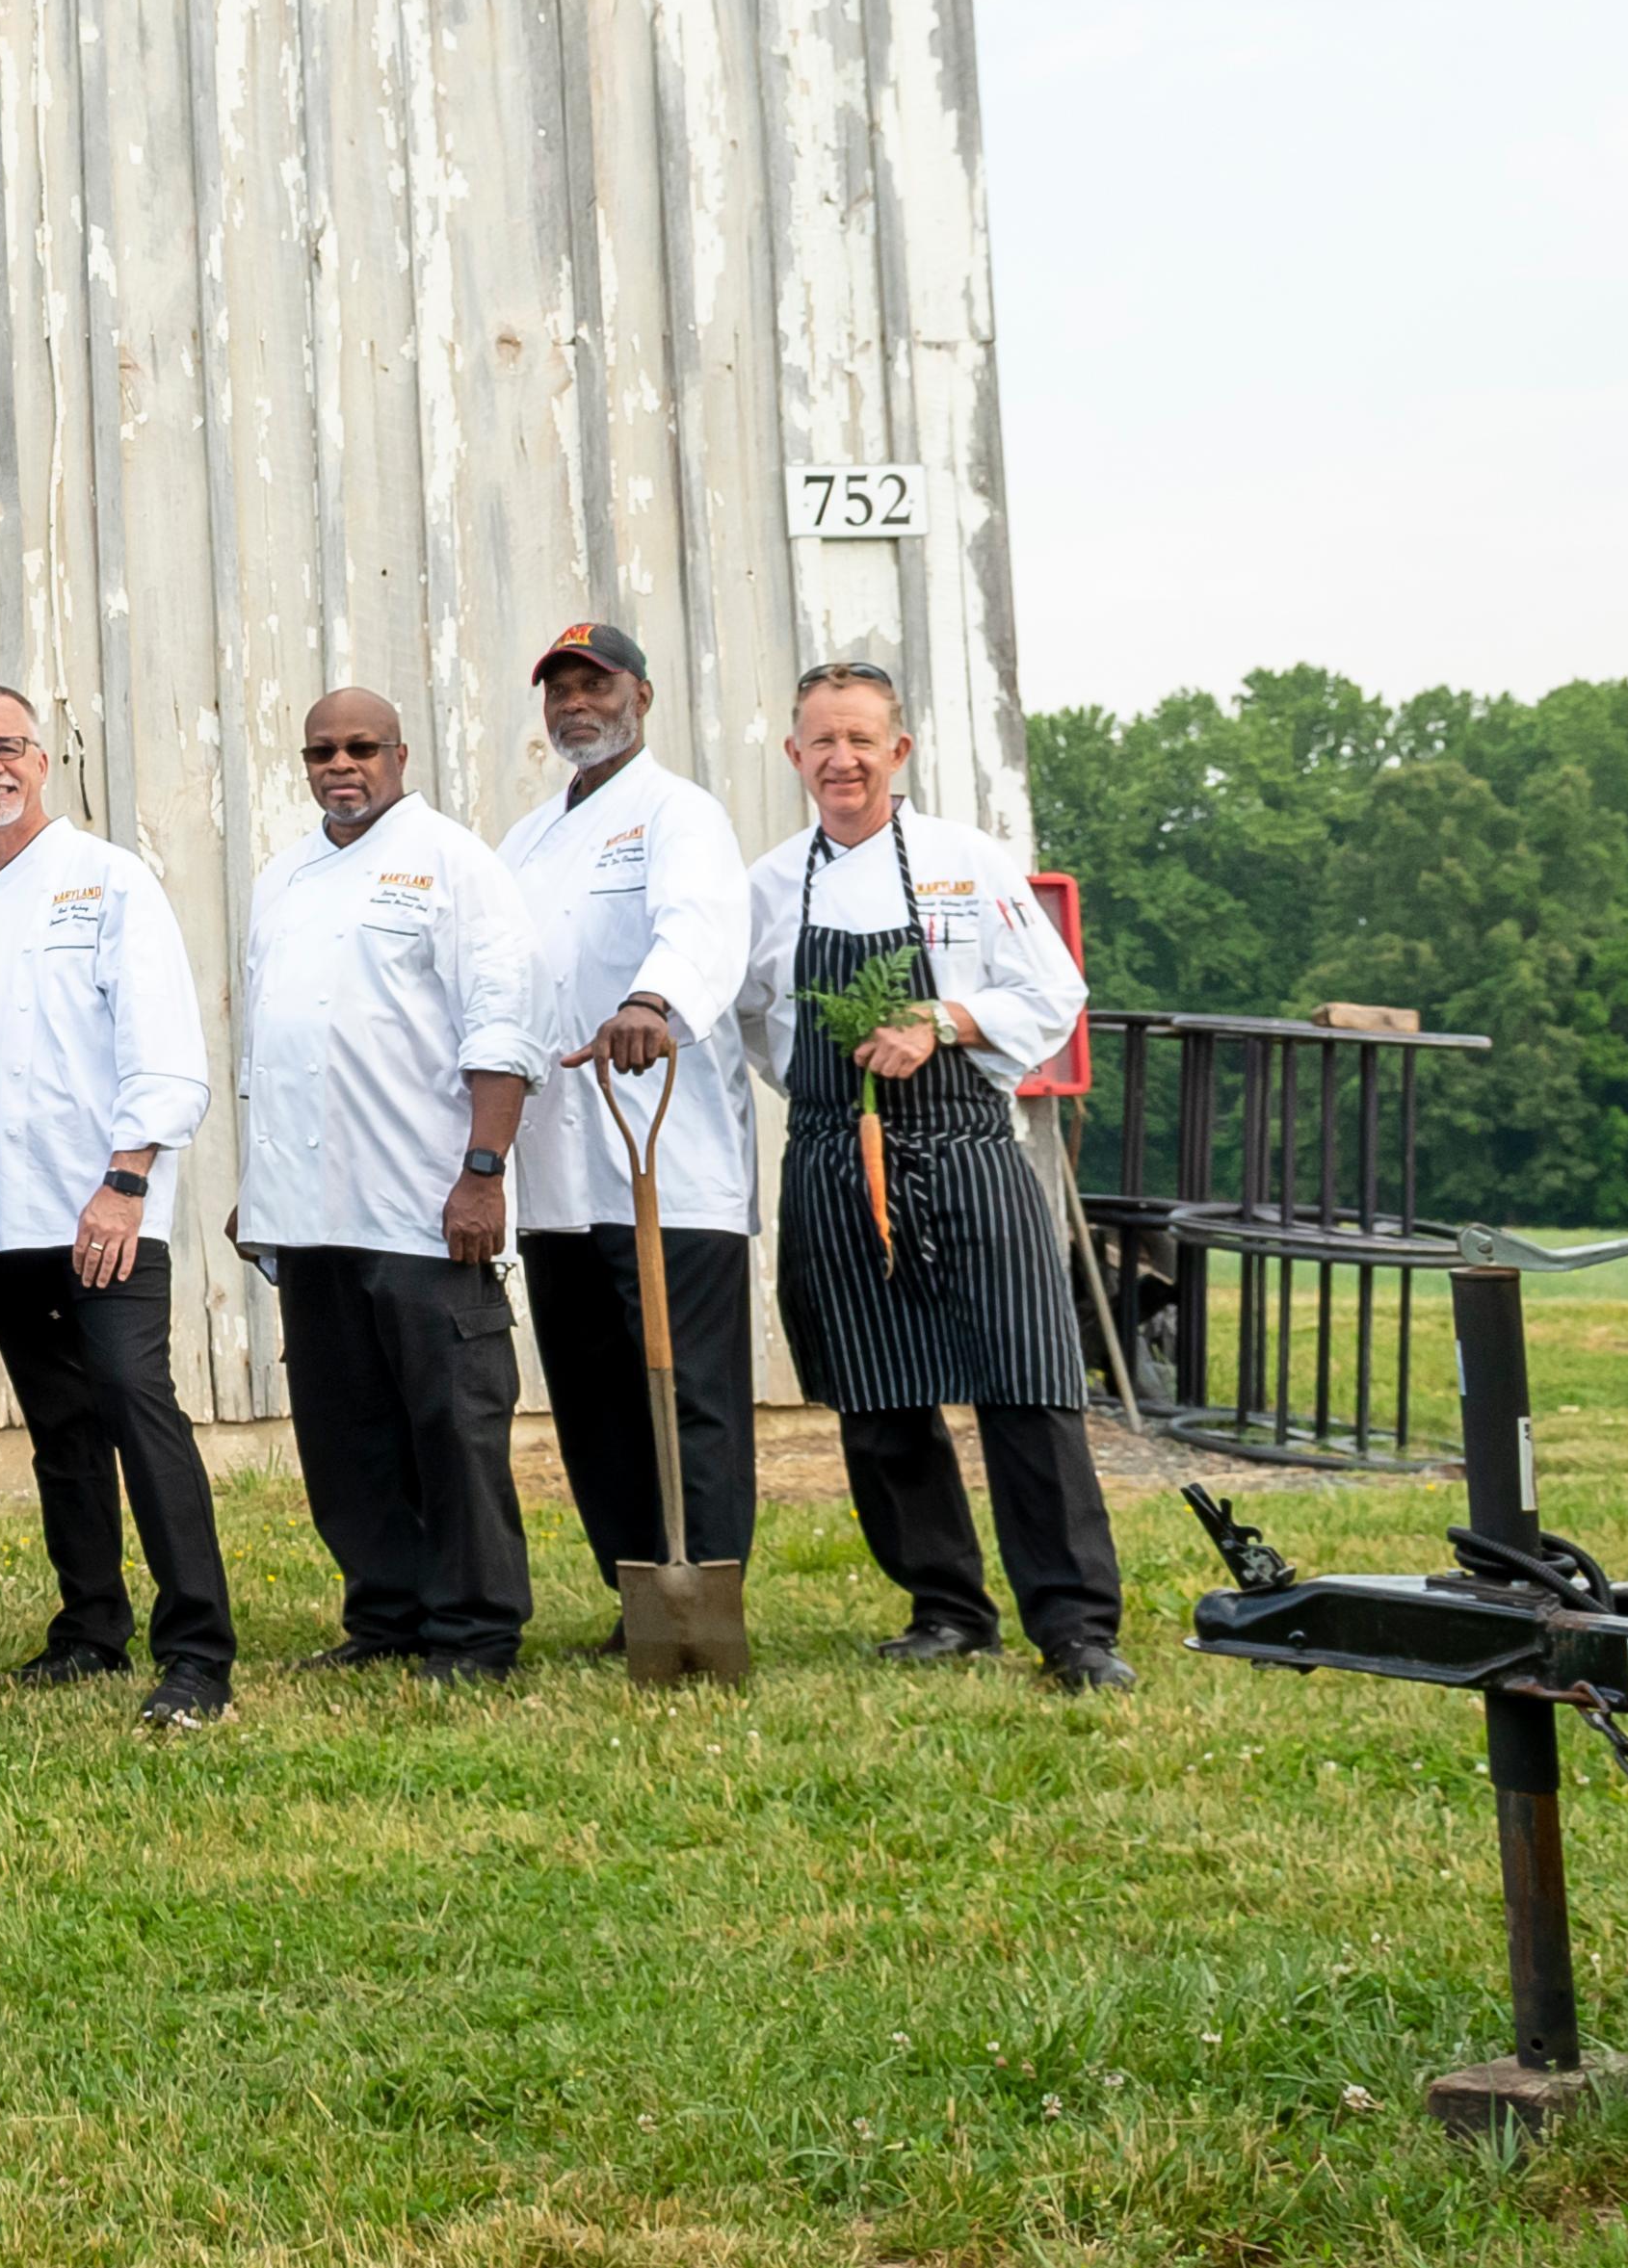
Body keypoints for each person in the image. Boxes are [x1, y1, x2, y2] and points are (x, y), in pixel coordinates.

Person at [743, 660, 1127, 1690]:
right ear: (795, 756)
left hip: (965, 1145)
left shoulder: (968, 862)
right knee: (877, 1392)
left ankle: (1077, 1627)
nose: (842, 758)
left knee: (1029, 1381)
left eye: (862, 738)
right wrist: (829, 1097)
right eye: (822, 740)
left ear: (899, 750)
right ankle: (947, 1607)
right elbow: (751, 1020)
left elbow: (1055, 990)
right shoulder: (771, 886)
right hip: (835, 1154)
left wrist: (945, 1020)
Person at [0, 687, 237, 1727]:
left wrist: (127, 1181)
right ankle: (90, 1629)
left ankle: (197, 1649)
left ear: (44, 759)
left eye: (7, 745)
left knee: (135, 1406)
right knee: (60, 1429)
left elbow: (165, 1052)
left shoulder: (110, 883)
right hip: (3, 1223)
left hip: (103, 1210)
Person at [233, 691, 543, 1681]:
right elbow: (269, 1042)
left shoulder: (455, 863)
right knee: (345, 1432)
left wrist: (483, 1174)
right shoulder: (284, 875)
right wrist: (260, 1176)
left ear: (400, 754)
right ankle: (386, 1615)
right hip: (309, 1209)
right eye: (322, 749)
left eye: (361, 747)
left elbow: (502, 1024)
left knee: (453, 1424)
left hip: (421, 1199)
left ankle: (477, 1628)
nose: (341, 763)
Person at [487, 623, 759, 1625]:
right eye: (558, 687)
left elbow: (699, 927)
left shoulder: (680, 816)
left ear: (642, 693)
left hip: (662, 1159)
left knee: (686, 1397)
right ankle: (637, 1595)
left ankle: (708, 1598)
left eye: (593, 683)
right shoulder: (524, 839)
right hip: (558, 1165)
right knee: (594, 1403)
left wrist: (652, 1003)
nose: (574, 703)